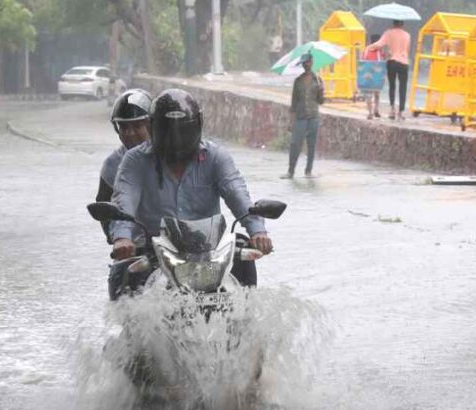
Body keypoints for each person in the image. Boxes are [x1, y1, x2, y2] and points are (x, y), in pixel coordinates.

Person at [109, 89, 273, 290]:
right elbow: (124, 199)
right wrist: (122, 238)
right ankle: (128, 321)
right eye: (168, 132)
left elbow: (237, 193)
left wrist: (258, 232)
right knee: (122, 277)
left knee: (244, 258)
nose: (176, 139)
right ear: (154, 128)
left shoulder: (215, 157)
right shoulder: (135, 160)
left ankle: (245, 317)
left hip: (208, 249)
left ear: (197, 127)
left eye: (182, 132)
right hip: (154, 249)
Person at [97, 88, 153, 242]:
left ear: (152, 125)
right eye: (124, 127)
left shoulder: (169, 157)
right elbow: (104, 207)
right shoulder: (111, 165)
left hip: (173, 244)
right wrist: (117, 238)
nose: (130, 133)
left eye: (137, 126)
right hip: (133, 247)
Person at [282, 52, 324, 179]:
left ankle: (308, 171)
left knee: (311, 145)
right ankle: (290, 171)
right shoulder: (298, 82)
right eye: (304, 63)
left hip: (313, 116)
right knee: (295, 144)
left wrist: (322, 91)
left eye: (308, 62)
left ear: (311, 62)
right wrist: (291, 121)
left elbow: (321, 101)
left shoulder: (318, 80)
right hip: (300, 117)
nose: (306, 65)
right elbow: (293, 103)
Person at [367, 20, 411, 120]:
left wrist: (368, 48)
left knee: (392, 86)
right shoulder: (407, 35)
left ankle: (392, 110)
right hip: (404, 63)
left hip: (392, 62)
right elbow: (406, 50)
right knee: (403, 87)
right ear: (403, 24)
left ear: (393, 23)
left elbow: (379, 44)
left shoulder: (388, 33)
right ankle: (400, 112)